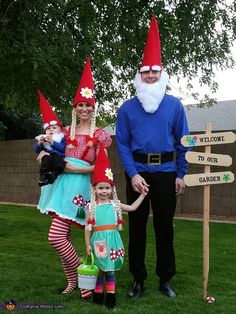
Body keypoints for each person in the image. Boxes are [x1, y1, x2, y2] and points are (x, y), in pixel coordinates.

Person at [116, 16, 190, 299]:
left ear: (162, 74)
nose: (150, 76)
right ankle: (138, 279)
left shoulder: (174, 106)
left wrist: (181, 174)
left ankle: (165, 279)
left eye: (154, 72)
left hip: (167, 173)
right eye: (146, 72)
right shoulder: (126, 108)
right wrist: (133, 173)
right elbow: (121, 144)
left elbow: (183, 142)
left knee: (164, 228)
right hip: (137, 173)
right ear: (139, 74)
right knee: (136, 228)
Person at [37, 57, 112, 298]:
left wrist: (78, 170)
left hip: (79, 185)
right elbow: (46, 152)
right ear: (75, 108)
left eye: (88, 106)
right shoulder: (65, 132)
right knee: (64, 235)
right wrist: (42, 156)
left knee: (56, 236)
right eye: (80, 105)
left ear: (94, 108)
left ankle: (83, 269)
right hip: (61, 184)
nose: (84, 109)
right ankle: (74, 282)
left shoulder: (100, 135)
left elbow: (103, 167)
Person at [85, 146, 147, 310]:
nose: (104, 191)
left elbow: (133, 208)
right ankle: (98, 295)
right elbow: (87, 227)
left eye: (107, 188)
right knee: (99, 269)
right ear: (95, 189)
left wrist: (142, 195)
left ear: (112, 189)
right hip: (98, 241)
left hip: (113, 240)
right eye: (100, 188)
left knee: (110, 270)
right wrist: (87, 245)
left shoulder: (115, 205)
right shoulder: (91, 206)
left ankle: (111, 296)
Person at [35, 90, 66, 186]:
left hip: (58, 156)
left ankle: (54, 175)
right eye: (48, 128)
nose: (51, 130)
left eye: (54, 128)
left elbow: (63, 148)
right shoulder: (44, 138)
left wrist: (53, 142)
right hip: (48, 156)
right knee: (45, 159)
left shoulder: (61, 137)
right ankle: (43, 176)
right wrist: (39, 144)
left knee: (59, 163)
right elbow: (36, 150)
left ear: (60, 130)